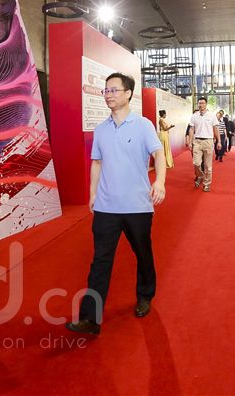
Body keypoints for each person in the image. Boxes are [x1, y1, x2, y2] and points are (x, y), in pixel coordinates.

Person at [66, 72, 166, 336]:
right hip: (106, 207)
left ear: (128, 93)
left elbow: (158, 154)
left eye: (114, 90)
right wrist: (92, 194)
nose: (108, 95)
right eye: (106, 91)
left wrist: (160, 182)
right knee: (100, 260)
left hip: (138, 206)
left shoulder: (143, 125)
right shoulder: (101, 130)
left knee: (143, 254)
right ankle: (90, 318)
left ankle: (145, 295)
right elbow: (97, 163)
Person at [186, 96, 221, 192]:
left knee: (208, 166)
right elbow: (191, 129)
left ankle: (207, 184)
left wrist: (219, 141)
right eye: (199, 103)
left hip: (208, 141)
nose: (200, 105)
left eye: (202, 103)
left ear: (206, 104)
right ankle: (200, 175)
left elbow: (216, 128)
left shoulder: (212, 115)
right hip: (197, 142)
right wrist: (190, 142)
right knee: (196, 163)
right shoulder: (194, 116)